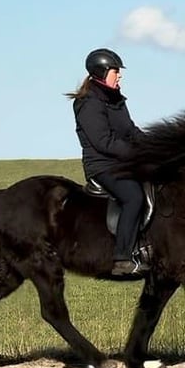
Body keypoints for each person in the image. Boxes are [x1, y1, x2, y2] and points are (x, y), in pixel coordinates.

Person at [65, 48, 149, 276]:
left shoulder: (116, 99)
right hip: (102, 166)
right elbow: (104, 142)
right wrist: (136, 154)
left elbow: (130, 131)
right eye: (116, 72)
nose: (120, 76)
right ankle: (122, 258)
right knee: (133, 196)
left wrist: (153, 145)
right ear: (102, 73)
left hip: (122, 163)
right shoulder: (88, 103)